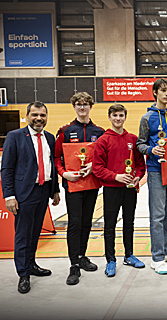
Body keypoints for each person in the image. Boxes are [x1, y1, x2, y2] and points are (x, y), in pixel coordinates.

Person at [1, 101, 60, 294]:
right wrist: (9, 196)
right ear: (27, 116)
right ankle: (23, 274)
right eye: (35, 115)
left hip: (43, 192)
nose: (38, 118)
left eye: (42, 115)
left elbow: (51, 165)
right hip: (23, 194)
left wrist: (55, 190)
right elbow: (7, 168)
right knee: (23, 235)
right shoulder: (15, 136)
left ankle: (31, 264)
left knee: (35, 233)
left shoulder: (50, 138)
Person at [55, 92, 105, 285]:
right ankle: (73, 265)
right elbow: (57, 157)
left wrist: (93, 166)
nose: (82, 107)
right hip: (72, 184)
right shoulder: (65, 131)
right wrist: (63, 173)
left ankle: (82, 256)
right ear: (74, 107)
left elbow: (102, 158)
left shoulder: (99, 132)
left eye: (85, 104)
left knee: (86, 222)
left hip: (91, 185)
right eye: (78, 104)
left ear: (90, 106)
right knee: (74, 223)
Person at [137, 78, 167, 275]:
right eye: (163, 91)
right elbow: (140, 144)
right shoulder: (147, 118)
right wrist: (151, 149)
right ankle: (156, 258)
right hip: (156, 171)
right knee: (157, 215)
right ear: (155, 93)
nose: (166, 94)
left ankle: (165, 250)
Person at [93, 104, 146, 277]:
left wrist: (138, 176)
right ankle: (111, 260)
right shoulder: (103, 140)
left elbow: (140, 164)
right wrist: (116, 177)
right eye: (114, 115)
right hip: (111, 189)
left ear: (125, 117)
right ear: (109, 117)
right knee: (110, 225)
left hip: (130, 188)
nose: (118, 118)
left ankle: (129, 255)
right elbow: (97, 168)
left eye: (121, 115)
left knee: (129, 223)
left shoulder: (132, 138)